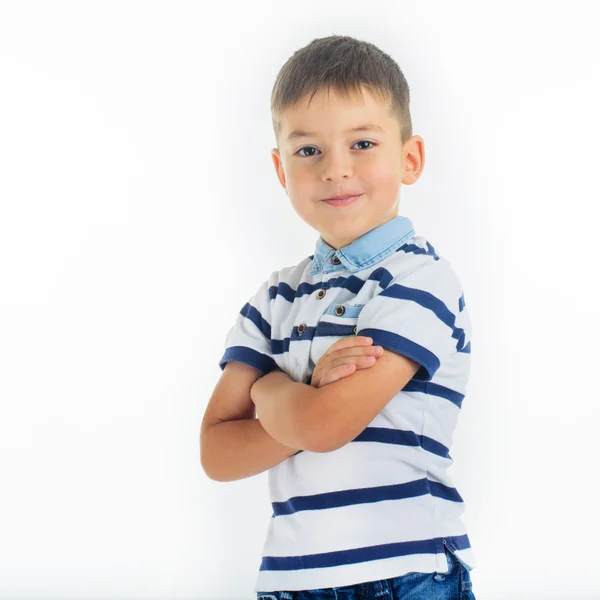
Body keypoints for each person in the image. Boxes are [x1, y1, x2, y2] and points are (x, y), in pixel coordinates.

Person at [200, 34, 477, 600]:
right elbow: (216, 453)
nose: (335, 169)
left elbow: (327, 427)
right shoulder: (276, 295)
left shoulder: (419, 279)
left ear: (410, 158)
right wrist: (304, 398)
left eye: (363, 143)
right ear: (280, 170)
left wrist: (273, 390)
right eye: (309, 151)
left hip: (407, 574)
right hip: (292, 582)